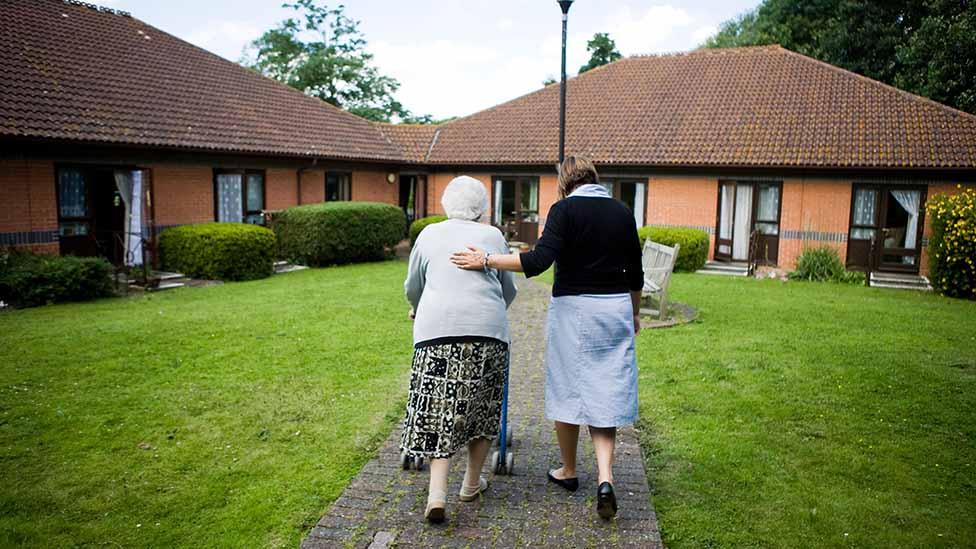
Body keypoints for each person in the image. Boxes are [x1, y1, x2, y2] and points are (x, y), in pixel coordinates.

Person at [451, 156, 643, 520]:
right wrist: (633, 313)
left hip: (574, 310)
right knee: (604, 391)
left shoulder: (564, 210)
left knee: (569, 386)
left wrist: (487, 259)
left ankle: (568, 470)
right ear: (594, 179)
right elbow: (635, 272)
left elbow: (538, 261)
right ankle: (605, 478)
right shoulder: (622, 211)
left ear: (565, 181)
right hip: (615, 309)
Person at [401, 175, 518, 523]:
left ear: (445, 205)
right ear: (482, 209)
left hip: (436, 334)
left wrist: (417, 306)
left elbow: (413, 286)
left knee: (438, 410)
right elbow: (508, 289)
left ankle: (437, 494)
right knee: (481, 410)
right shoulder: (494, 235)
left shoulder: (428, 235)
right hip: (487, 333)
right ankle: (469, 485)